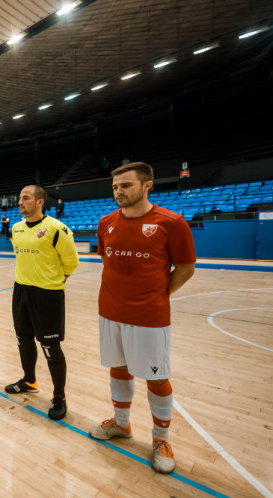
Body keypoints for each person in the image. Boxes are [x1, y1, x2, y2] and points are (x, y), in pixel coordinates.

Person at [89, 162, 196, 475]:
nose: (118, 192)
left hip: (149, 316)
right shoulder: (106, 222)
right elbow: (106, 259)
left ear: (147, 185)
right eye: (115, 187)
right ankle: (122, 425)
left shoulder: (171, 223)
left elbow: (186, 268)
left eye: (126, 185)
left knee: (156, 377)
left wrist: (159, 295)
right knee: (119, 368)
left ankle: (161, 439)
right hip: (110, 312)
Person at [5, 185, 79, 421]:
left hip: (47, 294)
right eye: (19, 198)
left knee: (50, 345)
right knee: (23, 339)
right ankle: (29, 381)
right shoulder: (16, 228)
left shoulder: (57, 229)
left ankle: (59, 396)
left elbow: (71, 262)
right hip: (21, 290)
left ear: (40, 202)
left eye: (25, 198)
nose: (20, 202)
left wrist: (55, 280)